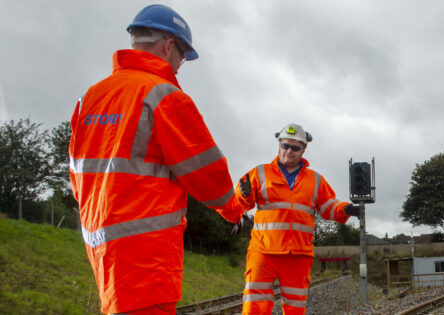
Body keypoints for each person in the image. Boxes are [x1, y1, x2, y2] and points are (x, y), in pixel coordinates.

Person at [68, 5, 242, 314]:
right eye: (183, 56)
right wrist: (234, 210)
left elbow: (78, 174)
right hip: (147, 256)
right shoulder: (163, 95)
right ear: (169, 45)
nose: (179, 66)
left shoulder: (90, 98)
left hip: (101, 249)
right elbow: (206, 172)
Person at [233, 123, 361, 315]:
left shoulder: (315, 180)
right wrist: (243, 195)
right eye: (285, 146)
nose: (288, 151)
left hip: (298, 255)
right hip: (264, 251)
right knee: (255, 305)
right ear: (279, 145)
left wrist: (347, 209)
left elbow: (329, 208)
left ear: (304, 149)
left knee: (295, 308)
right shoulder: (259, 173)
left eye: (295, 148)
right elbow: (239, 204)